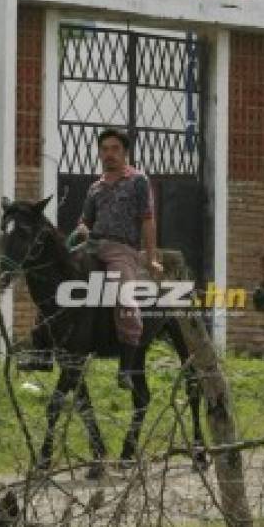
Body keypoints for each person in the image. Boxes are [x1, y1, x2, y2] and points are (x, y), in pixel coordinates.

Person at [76, 128, 162, 389]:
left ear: (125, 153)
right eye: (105, 149)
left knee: (126, 300)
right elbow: (85, 220)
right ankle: (43, 345)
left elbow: (148, 221)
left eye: (115, 149)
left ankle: (126, 366)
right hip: (92, 246)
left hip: (122, 250)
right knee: (58, 277)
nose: (109, 154)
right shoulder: (95, 187)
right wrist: (81, 228)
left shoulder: (138, 180)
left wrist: (150, 258)